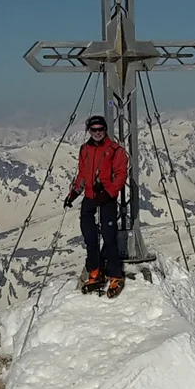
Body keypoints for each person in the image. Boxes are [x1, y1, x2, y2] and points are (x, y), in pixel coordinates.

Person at [64, 114, 129, 298]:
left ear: (105, 130)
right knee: (90, 237)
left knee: (109, 237)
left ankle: (115, 274)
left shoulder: (116, 151)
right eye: (94, 130)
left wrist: (109, 192)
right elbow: (83, 175)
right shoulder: (85, 150)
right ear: (89, 131)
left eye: (101, 129)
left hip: (106, 198)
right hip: (91, 196)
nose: (98, 133)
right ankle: (95, 272)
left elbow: (121, 175)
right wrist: (74, 193)